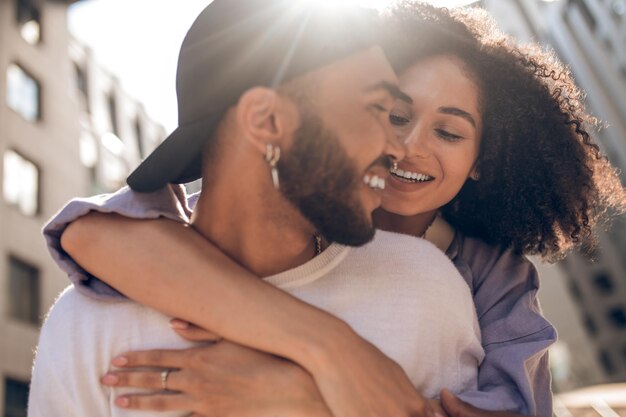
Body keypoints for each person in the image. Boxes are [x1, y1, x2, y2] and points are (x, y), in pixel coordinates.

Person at [35, 2, 626, 417]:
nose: (404, 146)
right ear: (269, 124)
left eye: (449, 132)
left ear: (481, 160)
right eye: (389, 113)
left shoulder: (463, 284)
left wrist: (305, 398)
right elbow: (96, 236)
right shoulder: (109, 302)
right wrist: (327, 346)